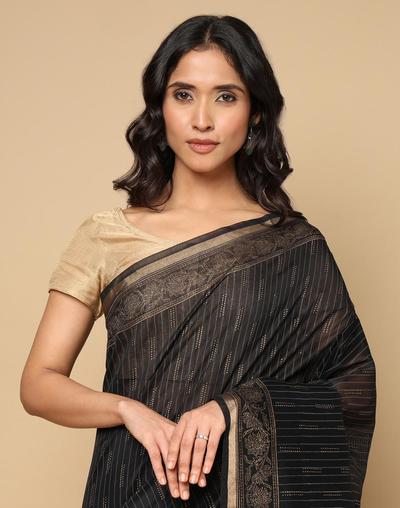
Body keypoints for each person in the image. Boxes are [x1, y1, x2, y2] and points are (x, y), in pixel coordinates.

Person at [20, 14, 376, 508]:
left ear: (255, 112)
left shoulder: (295, 245)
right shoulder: (107, 235)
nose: (202, 119)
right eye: (183, 95)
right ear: (160, 107)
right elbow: (38, 384)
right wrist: (127, 410)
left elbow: (351, 389)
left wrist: (230, 411)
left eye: (226, 96)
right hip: (129, 487)